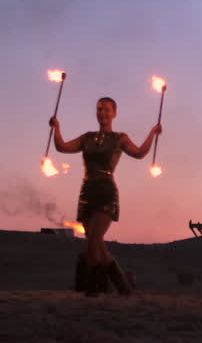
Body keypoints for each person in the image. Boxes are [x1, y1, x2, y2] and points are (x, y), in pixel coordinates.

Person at [50, 97, 161, 296]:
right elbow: (61, 147)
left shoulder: (120, 138)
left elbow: (140, 153)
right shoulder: (87, 138)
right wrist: (56, 127)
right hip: (87, 191)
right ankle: (122, 286)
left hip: (106, 192)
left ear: (114, 114)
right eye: (99, 109)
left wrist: (153, 132)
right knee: (96, 243)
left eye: (107, 110)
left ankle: (92, 289)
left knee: (94, 238)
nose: (102, 113)